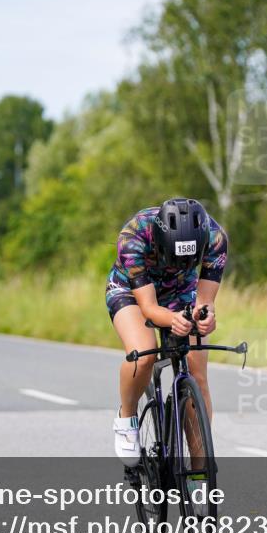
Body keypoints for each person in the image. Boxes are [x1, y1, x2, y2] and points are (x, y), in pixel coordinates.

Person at [107, 198, 228, 465]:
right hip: (131, 290)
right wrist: (174, 319)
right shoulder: (134, 235)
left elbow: (205, 301)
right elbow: (149, 308)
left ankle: (200, 471)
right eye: (175, 257)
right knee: (143, 355)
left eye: (188, 260)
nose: (181, 263)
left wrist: (205, 316)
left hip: (181, 291)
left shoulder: (215, 237)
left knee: (197, 372)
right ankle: (126, 418)